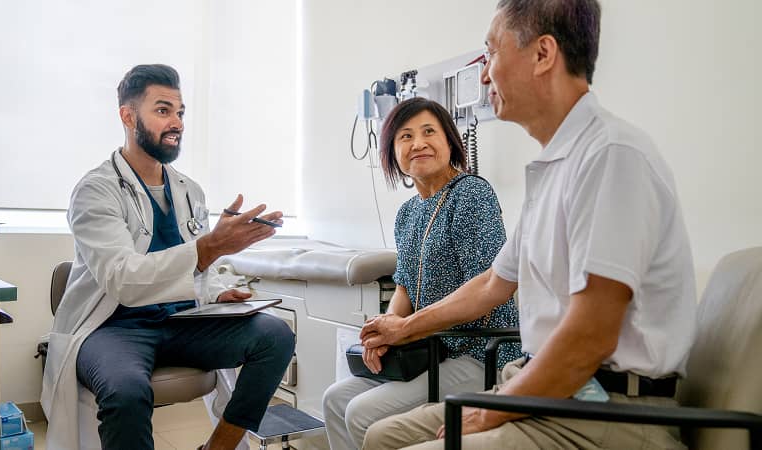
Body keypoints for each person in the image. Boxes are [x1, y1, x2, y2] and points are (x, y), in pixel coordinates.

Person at [359, 1, 697, 449]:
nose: (483, 76)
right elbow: (491, 285)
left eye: (491, 55)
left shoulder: (612, 156)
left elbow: (590, 336)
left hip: (604, 412)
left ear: (542, 55)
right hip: (548, 393)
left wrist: (497, 407)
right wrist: (403, 327)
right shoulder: (554, 166)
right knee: (381, 436)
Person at [40, 64, 295, 450]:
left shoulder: (189, 190)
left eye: (180, 112)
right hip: (111, 327)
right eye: (163, 111)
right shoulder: (96, 190)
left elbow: (193, 267)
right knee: (126, 392)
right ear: (128, 116)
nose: (176, 122)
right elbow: (122, 279)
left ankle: (219, 446)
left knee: (275, 335)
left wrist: (215, 292)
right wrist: (211, 246)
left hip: (179, 322)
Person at [322, 97, 520, 450]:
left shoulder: (472, 194)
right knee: (335, 400)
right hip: (428, 351)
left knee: (361, 413)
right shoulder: (407, 214)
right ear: (392, 152)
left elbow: (488, 287)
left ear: (449, 141)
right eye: (405, 136)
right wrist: (384, 330)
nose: (418, 143)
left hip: (477, 353)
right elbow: (404, 289)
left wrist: (404, 329)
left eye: (429, 131)